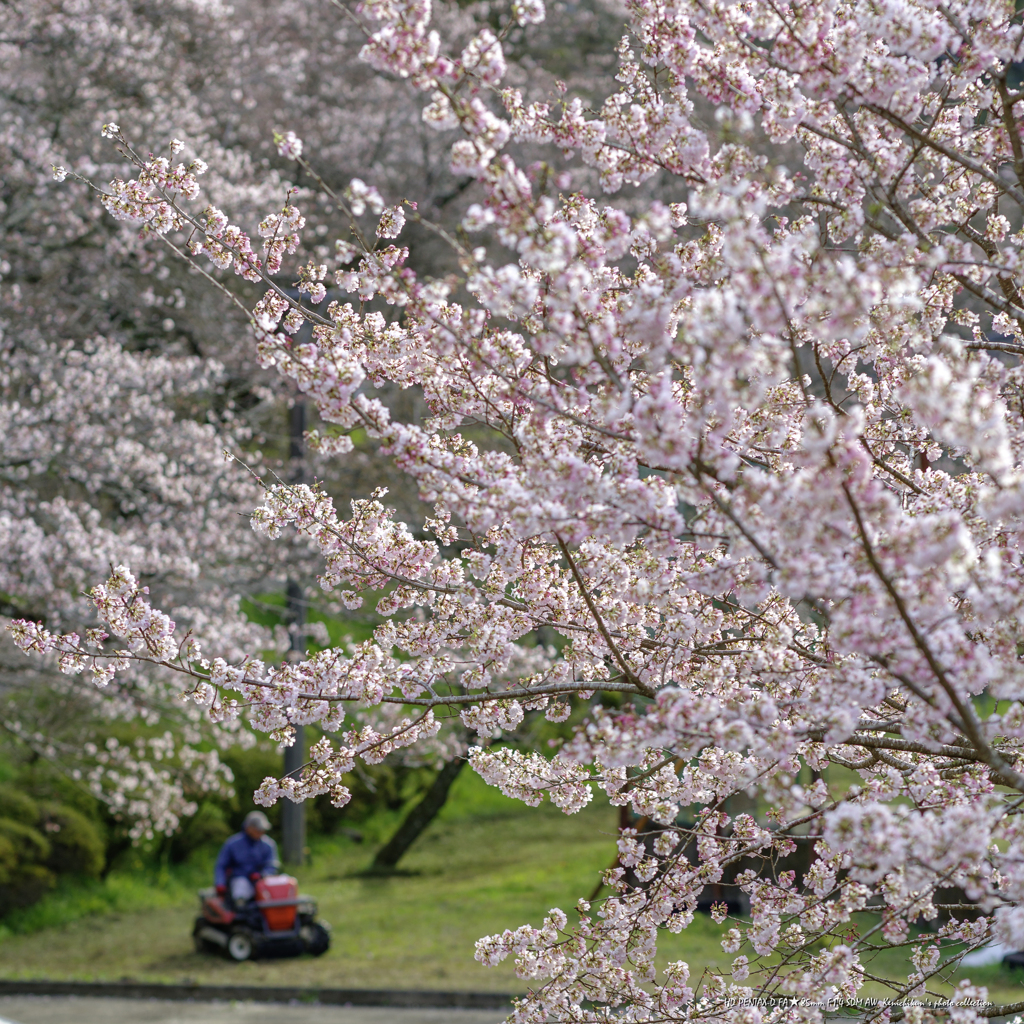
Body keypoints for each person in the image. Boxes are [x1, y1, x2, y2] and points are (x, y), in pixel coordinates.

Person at [214, 810, 280, 906]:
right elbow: (221, 866)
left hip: (263, 881)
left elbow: (272, 864)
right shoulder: (232, 844)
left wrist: (263, 875)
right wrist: (220, 883)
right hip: (240, 879)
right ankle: (241, 908)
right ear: (248, 828)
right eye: (258, 829)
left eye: (262, 829)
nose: (261, 832)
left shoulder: (268, 844)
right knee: (241, 886)